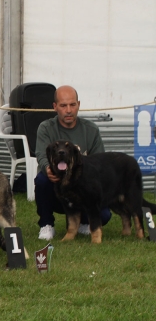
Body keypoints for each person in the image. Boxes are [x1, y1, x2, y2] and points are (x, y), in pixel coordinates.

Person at [34, 85, 111, 240]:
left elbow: (100, 162)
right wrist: (48, 168)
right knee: (42, 180)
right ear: (55, 107)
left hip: (84, 188)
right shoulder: (46, 128)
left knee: (105, 215)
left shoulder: (91, 130)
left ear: (78, 105)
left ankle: (84, 222)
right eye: (63, 105)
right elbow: (41, 154)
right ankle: (46, 224)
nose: (68, 110)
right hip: (57, 189)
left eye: (72, 105)